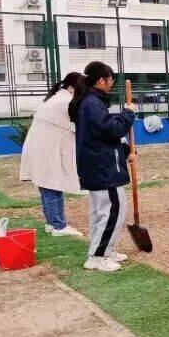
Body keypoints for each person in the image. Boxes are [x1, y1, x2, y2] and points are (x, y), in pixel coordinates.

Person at [68, 61, 137, 273]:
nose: (112, 82)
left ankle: (105, 249)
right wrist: (128, 114)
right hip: (102, 169)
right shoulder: (91, 103)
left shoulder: (91, 103)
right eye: (110, 79)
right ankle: (97, 257)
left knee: (102, 212)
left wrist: (125, 151)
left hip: (99, 165)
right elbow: (111, 129)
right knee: (113, 211)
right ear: (101, 80)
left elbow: (100, 134)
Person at [19, 72, 86, 238]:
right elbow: (80, 125)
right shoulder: (65, 100)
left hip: (42, 147)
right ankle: (58, 225)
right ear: (71, 88)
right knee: (52, 184)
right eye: (81, 89)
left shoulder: (56, 98)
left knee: (47, 185)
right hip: (45, 149)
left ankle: (51, 223)